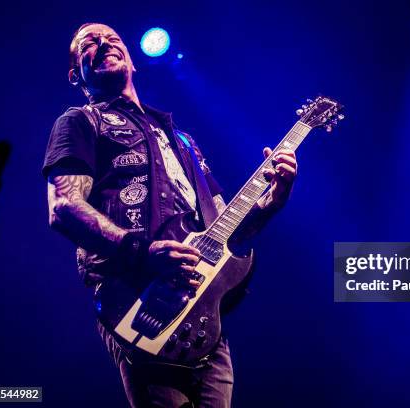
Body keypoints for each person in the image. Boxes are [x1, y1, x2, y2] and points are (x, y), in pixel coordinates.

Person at [42, 22, 297, 407]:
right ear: (75, 73)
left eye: (112, 38)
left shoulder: (182, 139)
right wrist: (143, 251)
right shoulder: (80, 121)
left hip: (202, 313)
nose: (104, 43)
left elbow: (224, 227)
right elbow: (64, 207)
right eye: (89, 43)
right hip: (138, 300)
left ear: (132, 60)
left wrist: (272, 202)